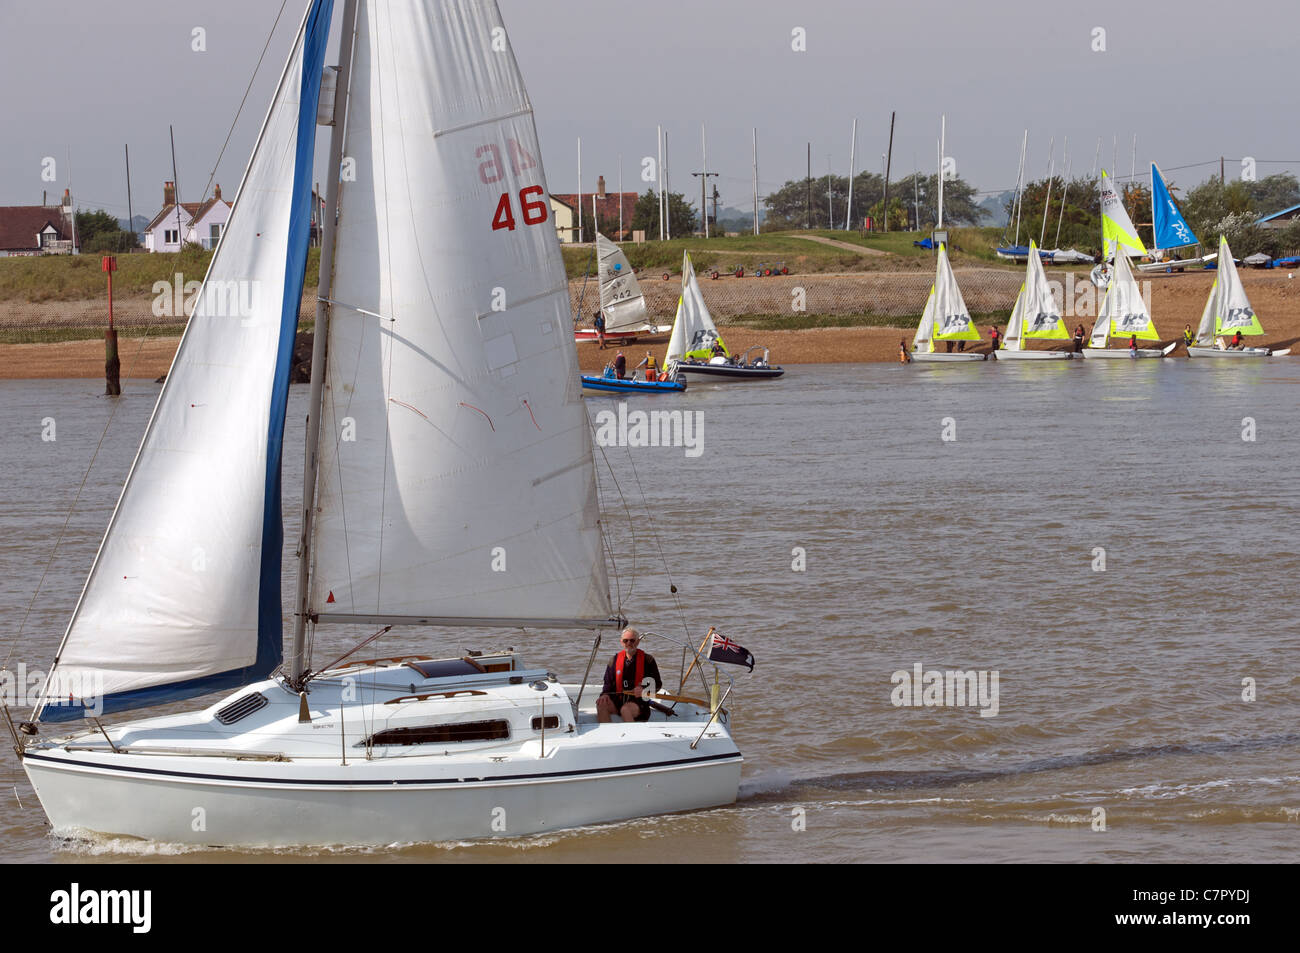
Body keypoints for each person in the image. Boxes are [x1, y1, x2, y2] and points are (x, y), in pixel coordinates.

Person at [597, 628, 662, 723]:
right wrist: (604, 695)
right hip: (618, 701)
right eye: (625, 640)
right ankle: (608, 735)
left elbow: (657, 684)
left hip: (639, 704)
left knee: (625, 710)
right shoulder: (613, 660)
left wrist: (644, 689)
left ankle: (632, 736)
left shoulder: (648, 660)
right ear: (621, 642)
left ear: (638, 641)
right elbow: (608, 684)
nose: (629, 643)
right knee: (601, 704)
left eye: (632, 640)